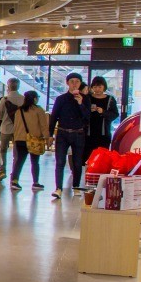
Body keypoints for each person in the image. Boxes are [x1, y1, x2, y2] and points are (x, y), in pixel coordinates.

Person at [49, 72, 89, 200]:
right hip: (62, 133)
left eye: (77, 81)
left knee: (77, 162)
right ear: (67, 83)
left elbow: (87, 117)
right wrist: (50, 135)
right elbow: (54, 117)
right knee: (60, 161)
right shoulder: (61, 99)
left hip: (78, 133)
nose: (74, 84)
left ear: (80, 83)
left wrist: (81, 104)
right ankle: (58, 188)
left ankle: (76, 186)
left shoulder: (85, 99)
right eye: (72, 81)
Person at [10, 90, 49, 191]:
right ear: (35, 99)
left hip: (20, 139)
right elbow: (43, 125)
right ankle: (35, 183)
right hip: (34, 139)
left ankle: (14, 181)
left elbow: (16, 126)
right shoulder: (38, 110)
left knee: (19, 160)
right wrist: (47, 137)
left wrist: (15, 138)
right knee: (35, 161)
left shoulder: (19, 110)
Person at [0, 79, 24, 183]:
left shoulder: (4, 99)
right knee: (17, 153)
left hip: (5, 128)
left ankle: (2, 171)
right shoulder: (23, 99)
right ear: (18, 86)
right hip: (19, 129)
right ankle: (15, 175)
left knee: (3, 150)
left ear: (8, 87)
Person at [85, 77, 120, 162]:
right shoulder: (87, 98)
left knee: (102, 159)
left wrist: (103, 112)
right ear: (92, 87)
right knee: (88, 158)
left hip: (103, 134)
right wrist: (88, 111)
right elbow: (81, 113)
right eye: (95, 87)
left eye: (100, 87)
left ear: (104, 87)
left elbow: (115, 115)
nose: (97, 89)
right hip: (88, 134)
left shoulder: (110, 99)